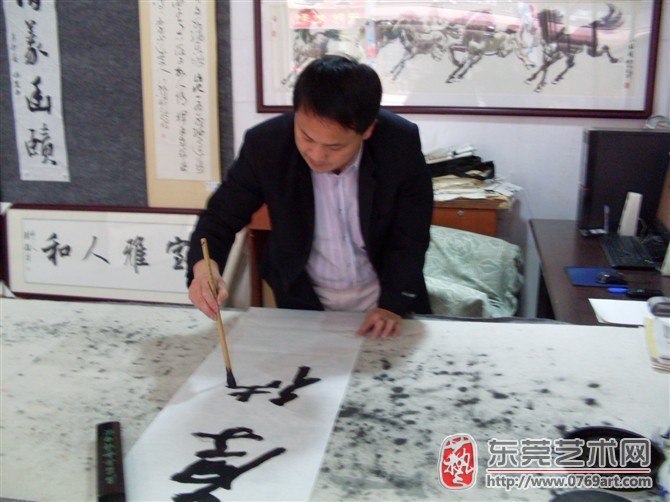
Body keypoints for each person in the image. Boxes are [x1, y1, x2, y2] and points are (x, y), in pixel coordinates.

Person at [187, 54, 433, 338]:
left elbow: (411, 234)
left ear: (367, 130)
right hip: (305, 301)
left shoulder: (398, 143)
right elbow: (220, 217)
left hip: (385, 300)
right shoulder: (266, 144)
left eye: (335, 147)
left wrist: (392, 305)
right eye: (306, 137)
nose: (316, 155)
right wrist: (205, 269)